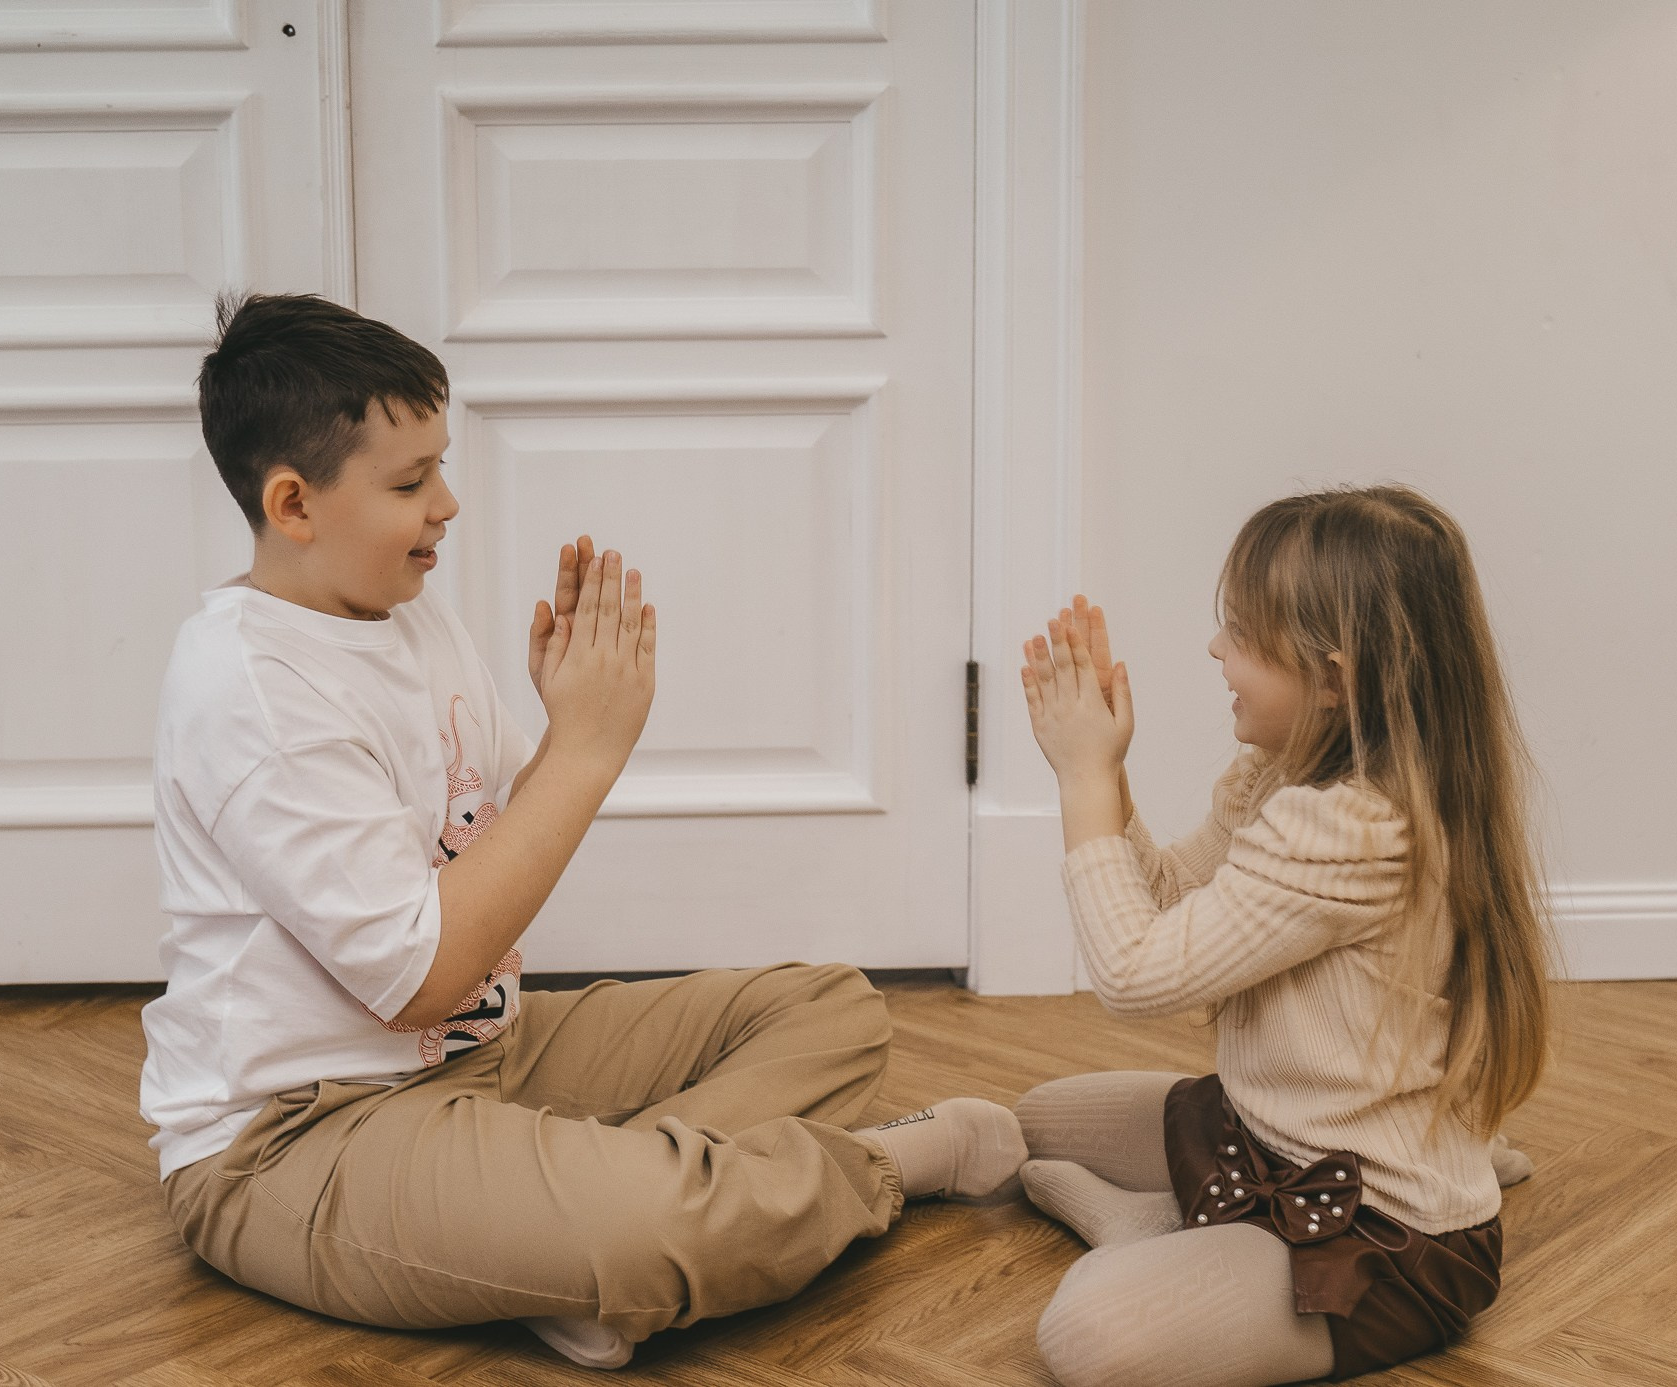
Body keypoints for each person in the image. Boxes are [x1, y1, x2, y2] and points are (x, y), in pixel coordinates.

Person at [139, 292, 1025, 1370]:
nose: (448, 504)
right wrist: (589, 749)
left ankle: (569, 1233)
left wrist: (569, 723)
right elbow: (416, 975)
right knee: (663, 1230)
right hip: (306, 1135)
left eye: (443, 467)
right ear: (294, 502)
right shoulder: (251, 689)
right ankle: (878, 1167)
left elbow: (503, 823)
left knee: (828, 1007)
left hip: (484, 1054)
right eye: (412, 481)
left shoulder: (406, 616)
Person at [1013, 485, 1553, 1385]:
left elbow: (1134, 974)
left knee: (1083, 1334)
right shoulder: (1278, 776)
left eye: (1243, 635)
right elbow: (1178, 898)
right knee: (1041, 1121)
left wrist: (1081, 779)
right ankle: (1208, 1226)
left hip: (1376, 1230)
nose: (1215, 649)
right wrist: (1112, 776)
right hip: (1265, 1132)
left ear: (1335, 678)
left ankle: (1150, 1229)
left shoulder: (1360, 830)